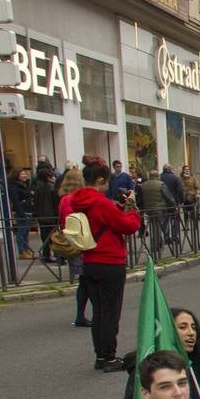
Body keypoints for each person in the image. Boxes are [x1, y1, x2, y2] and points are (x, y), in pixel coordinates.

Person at [62, 156, 143, 371]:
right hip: (109, 260)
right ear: (99, 181)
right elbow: (127, 225)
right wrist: (133, 208)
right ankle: (108, 356)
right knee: (110, 312)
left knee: (98, 311)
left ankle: (100, 355)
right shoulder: (100, 203)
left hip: (90, 259)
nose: (108, 186)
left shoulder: (76, 200)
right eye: (106, 182)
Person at [120, 307, 200, 399]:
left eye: (193, 327)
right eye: (183, 327)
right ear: (166, 332)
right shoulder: (144, 371)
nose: (191, 333)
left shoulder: (199, 365)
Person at [56, 166, 92, 326]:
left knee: (84, 281)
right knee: (88, 280)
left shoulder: (63, 198)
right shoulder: (75, 199)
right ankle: (84, 314)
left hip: (70, 241)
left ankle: (80, 314)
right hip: (80, 242)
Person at [137, 169, 179, 254]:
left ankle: (157, 243)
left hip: (148, 209)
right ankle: (158, 244)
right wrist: (174, 205)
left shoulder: (143, 185)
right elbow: (168, 196)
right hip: (159, 209)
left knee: (153, 226)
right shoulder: (161, 184)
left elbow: (140, 199)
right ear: (157, 176)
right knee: (158, 226)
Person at [32, 164, 60, 264]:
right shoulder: (51, 188)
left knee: (45, 237)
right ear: (49, 177)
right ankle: (58, 256)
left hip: (42, 216)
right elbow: (55, 202)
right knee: (55, 237)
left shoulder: (37, 187)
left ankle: (46, 255)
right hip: (51, 215)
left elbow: (35, 202)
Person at [6, 166, 36, 260]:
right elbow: (15, 200)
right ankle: (22, 251)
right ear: (16, 175)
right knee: (21, 232)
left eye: (25, 174)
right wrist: (21, 212)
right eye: (22, 174)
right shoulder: (13, 186)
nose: (25, 175)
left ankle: (26, 249)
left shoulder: (24, 184)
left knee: (26, 232)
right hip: (22, 211)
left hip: (28, 209)